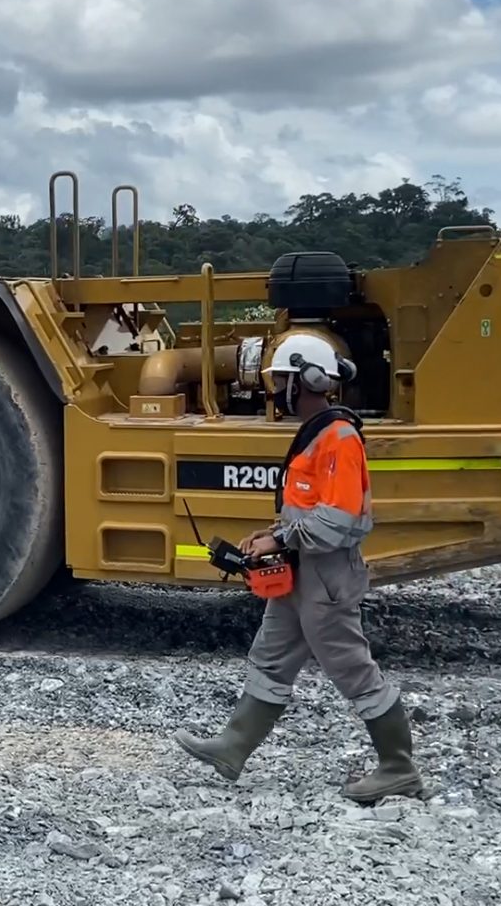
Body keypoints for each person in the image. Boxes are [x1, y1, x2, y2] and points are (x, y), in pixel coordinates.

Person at [173, 332, 422, 805]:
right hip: (300, 571)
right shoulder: (317, 433)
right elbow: (309, 507)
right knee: (270, 656)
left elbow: (338, 518)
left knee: (352, 669)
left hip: (326, 578)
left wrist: (281, 539)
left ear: (306, 380)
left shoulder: (339, 438)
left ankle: (398, 767)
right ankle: (233, 747)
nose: (274, 390)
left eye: (281, 380)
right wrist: (272, 533)